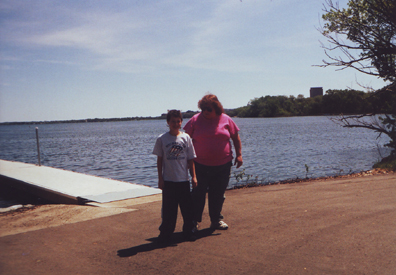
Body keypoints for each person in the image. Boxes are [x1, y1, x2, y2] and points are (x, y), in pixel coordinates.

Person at [184, 94, 243, 230]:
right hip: (200, 165)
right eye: (203, 108)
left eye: (209, 109)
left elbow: (235, 137)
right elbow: (185, 140)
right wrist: (186, 160)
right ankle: (194, 222)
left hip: (223, 165)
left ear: (216, 108)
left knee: (218, 194)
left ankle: (216, 220)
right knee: (198, 194)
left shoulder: (226, 119)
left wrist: (239, 155)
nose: (205, 111)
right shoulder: (195, 120)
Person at [152, 110, 198, 243]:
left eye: (178, 121)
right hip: (168, 181)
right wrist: (160, 179)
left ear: (181, 122)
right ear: (168, 123)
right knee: (168, 210)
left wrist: (194, 177)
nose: (176, 124)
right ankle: (165, 234)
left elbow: (191, 159)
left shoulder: (186, 137)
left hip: (183, 180)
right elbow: (160, 160)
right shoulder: (162, 139)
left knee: (187, 209)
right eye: (173, 121)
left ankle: (188, 232)